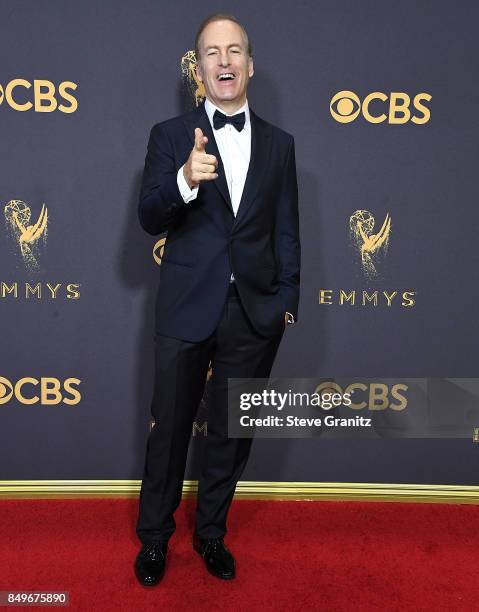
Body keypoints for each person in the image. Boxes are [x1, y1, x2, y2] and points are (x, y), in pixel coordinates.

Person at [134, 13, 300, 586]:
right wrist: (184, 179)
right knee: (171, 430)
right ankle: (154, 538)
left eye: (234, 51)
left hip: (253, 313)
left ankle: (211, 534)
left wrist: (287, 300)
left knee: (231, 434)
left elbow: (286, 230)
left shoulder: (281, 146)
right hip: (186, 307)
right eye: (211, 52)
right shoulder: (170, 136)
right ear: (197, 69)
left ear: (250, 66)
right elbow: (148, 217)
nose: (224, 61)